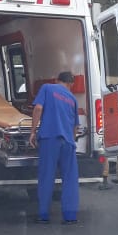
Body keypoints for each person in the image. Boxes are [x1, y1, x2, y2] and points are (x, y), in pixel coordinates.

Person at [28, 70, 81, 223]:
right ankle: (70, 216)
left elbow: (38, 108)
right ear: (71, 84)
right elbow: (75, 127)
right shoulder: (73, 99)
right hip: (68, 142)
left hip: (50, 138)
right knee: (70, 179)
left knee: (47, 176)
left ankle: (44, 215)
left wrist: (33, 131)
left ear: (57, 80)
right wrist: (71, 140)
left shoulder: (47, 88)